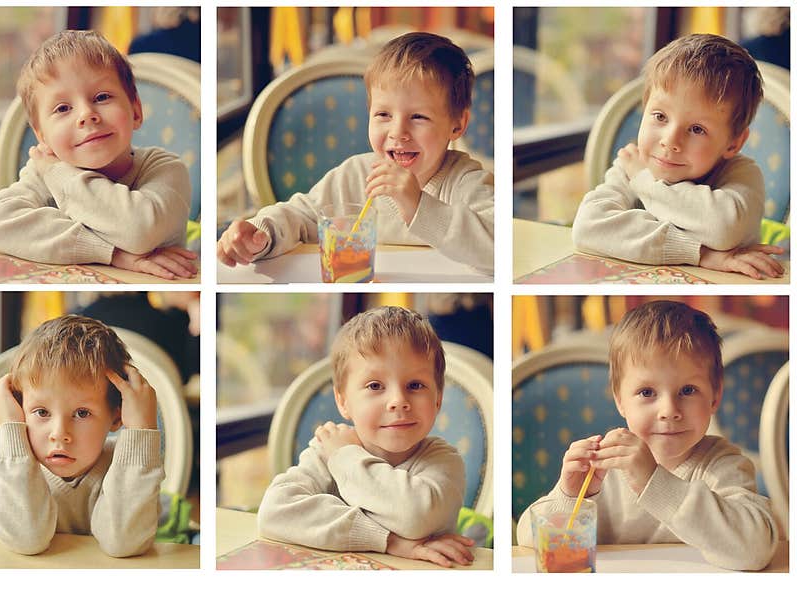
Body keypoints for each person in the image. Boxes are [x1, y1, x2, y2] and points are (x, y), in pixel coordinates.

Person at [516, 300, 778, 571]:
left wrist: (653, 481)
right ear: (620, 400)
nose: (669, 411)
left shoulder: (723, 465)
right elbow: (526, 538)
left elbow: (755, 550)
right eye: (647, 392)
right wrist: (569, 495)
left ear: (715, 396)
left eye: (688, 390)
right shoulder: (602, 468)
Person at [217, 32, 494, 275]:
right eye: (383, 114)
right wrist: (261, 234)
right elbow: (301, 217)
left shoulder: (466, 182)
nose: (398, 132)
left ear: (457, 124)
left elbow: (498, 247)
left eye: (419, 117)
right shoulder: (354, 175)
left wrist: (417, 204)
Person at [257, 305, 475, 567]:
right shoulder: (328, 450)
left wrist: (347, 457)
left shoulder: (444, 461)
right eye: (375, 386)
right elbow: (274, 513)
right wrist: (392, 542)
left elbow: (415, 515)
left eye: (415, 385)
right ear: (343, 401)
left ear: (437, 399)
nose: (398, 401)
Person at [0, 30, 197, 281]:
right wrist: (114, 254)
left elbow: (139, 231)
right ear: (43, 137)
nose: (86, 114)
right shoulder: (44, 172)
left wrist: (58, 174)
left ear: (136, 111)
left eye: (101, 97)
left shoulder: (166, 168)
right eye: (63, 108)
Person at [572, 34, 784, 280]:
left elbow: (723, 228)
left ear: (734, 143)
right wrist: (703, 254)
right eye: (660, 116)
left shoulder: (741, 173)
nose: (670, 141)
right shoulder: (633, 163)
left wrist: (644, 182)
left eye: (697, 129)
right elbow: (588, 228)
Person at [0, 314, 164, 557]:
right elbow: (25, 541)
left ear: (116, 416)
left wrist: (141, 429)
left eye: (82, 413)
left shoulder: (130, 468)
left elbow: (124, 543)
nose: (59, 434)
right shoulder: (18, 468)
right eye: (41, 412)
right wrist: (9, 427)